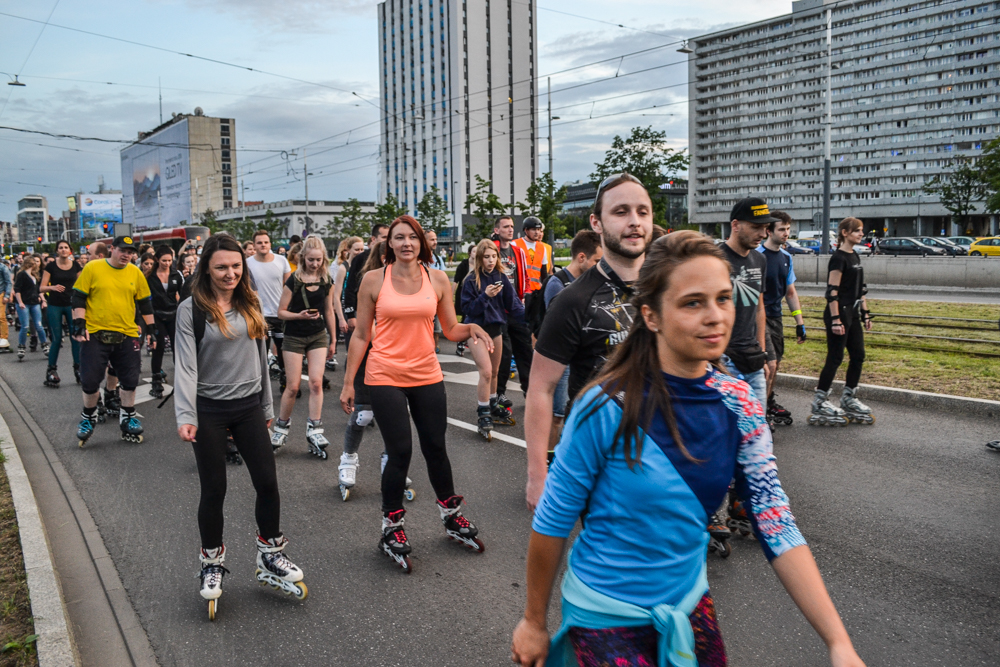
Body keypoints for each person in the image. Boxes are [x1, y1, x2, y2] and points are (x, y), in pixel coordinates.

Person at [512, 231, 867, 667]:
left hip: (688, 606)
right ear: (652, 315)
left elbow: (776, 521)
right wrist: (533, 621)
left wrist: (838, 641)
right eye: (692, 302)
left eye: (723, 298)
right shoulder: (602, 406)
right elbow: (553, 520)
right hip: (605, 615)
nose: (715, 316)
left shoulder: (740, 403)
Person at [340, 215, 493, 573]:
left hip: (426, 372)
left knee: (436, 447)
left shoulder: (437, 279)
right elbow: (362, 335)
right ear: (389, 244)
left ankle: (451, 515)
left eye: (412, 238)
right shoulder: (373, 280)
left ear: (421, 243)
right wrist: (349, 381)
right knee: (401, 451)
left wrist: (470, 327)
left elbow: (450, 328)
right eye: (399, 238)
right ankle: (391, 527)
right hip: (384, 374)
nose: (406, 243)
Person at [174, 234, 306, 619]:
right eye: (221, 267)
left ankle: (271, 554)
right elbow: (185, 366)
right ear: (206, 269)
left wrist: (266, 404)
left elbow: (261, 358)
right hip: (209, 409)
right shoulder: (191, 310)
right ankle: (211, 562)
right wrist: (186, 415)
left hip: (249, 407)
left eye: (235, 266)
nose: (230, 273)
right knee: (215, 489)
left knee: (267, 482)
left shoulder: (250, 301)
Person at [525, 173, 651, 510]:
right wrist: (538, 475)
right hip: (602, 461)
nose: (634, 221)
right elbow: (540, 388)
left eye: (643, 211)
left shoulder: (668, 288)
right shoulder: (572, 300)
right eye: (621, 212)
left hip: (667, 455)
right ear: (596, 222)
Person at [72, 236, 155, 446]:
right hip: (95, 333)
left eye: (130, 252)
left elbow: (145, 303)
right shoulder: (93, 268)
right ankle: (88, 417)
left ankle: (127, 415)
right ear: (112, 249)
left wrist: (152, 330)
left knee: (129, 378)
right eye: (123, 250)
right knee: (90, 380)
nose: (127, 255)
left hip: (126, 333)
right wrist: (79, 324)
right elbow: (78, 296)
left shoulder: (135, 272)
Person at [270, 236, 337, 459]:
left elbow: (329, 311)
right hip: (294, 337)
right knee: (293, 386)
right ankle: (280, 428)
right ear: (303, 258)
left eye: (319, 260)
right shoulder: (294, 281)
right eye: (311, 260)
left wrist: (333, 338)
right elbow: (281, 312)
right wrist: (298, 316)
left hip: (317, 336)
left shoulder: (327, 280)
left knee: (317, 383)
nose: (315, 264)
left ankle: (315, 429)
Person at [539, 230, 603, 457]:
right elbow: (557, 330)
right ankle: (549, 459)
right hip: (563, 362)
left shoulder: (592, 282)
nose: (600, 266)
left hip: (585, 362)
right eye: (597, 261)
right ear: (582, 258)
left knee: (576, 416)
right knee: (557, 415)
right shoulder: (558, 284)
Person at [810, 217, 874, 427]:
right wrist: (836, 319)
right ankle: (820, 401)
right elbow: (832, 292)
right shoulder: (838, 258)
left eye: (862, 231)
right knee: (835, 357)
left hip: (852, 313)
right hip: (839, 314)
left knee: (859, 355)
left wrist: (865, 313)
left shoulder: (854, 255)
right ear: (845, 233)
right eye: (857, 230)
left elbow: (860, 289)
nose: (861, 234)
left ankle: (848, 397)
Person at [460, 239, 524, 439]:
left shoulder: (501, 277)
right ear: (479, 258)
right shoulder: (471, 280)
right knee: (486, 372)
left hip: (496, 328)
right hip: (476, 330)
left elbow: (513, 305)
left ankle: (493, 403)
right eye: (486, 256)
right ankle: (483, 411)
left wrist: (532, 320)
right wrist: (485, 296)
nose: (490, 260)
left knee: (495, 371)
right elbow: (467, 310)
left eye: (493, 256)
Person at [718, 197, 772, 408]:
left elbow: (759, 309)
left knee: (758, 432)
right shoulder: (715, 259)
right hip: (723, 360)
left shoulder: (760, 260)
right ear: (735, 225)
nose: (763, 234)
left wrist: (763, 355)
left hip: (753, 360)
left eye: (766, 228)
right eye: (756, 227)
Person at [756, 210, 806, 427]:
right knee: (770, 364)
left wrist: (799, 323)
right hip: (758, 317)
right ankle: (760, 413)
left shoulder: (786, 258)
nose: (787, 233)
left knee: (776, 365)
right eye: (782, 229)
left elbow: (790, 293)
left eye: (788, 229)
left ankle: (767, 400)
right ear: (769, 231)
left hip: (776, 317)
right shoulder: (756, 256)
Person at [493, 215, 533, 409]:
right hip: (497, 310)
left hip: (516, 308)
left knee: (525, 351)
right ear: (496, 230)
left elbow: (524, 276)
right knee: (505, 354)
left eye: (511, 226)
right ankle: (499, 394)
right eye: (506, 226)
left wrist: (525, 294)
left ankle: (530, 391)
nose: (510, 229)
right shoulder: (491, 249)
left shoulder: (518, 251)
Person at [246, 230, 292, 391]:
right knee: (260, 353)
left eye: (265, 242)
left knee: (283, 350)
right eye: (259, 243)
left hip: (280, 313)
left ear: (270, 244)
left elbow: (289, 287)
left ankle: (286, 379)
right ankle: (259, 386)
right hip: (259, 315)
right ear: (254, 245)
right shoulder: (248, 263)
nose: (263, 245)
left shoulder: (281, 261)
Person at [40, 240, 82, 386]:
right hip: (55, 305)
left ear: (70, 250)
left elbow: (81, 285)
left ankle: (78, 369)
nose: (63, 250)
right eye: (60, 248)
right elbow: (42, 288)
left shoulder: (76, 265)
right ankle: (51, 371)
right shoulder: (51, 266)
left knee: (75, 336)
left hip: (71, 305)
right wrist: (52, 288)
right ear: (57, 251)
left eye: (66, 247)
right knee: (57, 339)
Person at [146, 246, 184, 399]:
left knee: (178, 346)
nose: (167, 263)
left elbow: (183, 295)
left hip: (173, 313)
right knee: (159, 346)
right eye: (164, 261)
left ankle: (182, 380)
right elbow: (145, 300)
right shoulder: (149, 277)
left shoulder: (176, 275)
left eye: (169, 260)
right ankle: (156, 380)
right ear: (157, 260)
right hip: (157, 314)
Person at [343, 224, 390, 333]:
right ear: (374, 239)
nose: (387, 241)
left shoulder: (395, 257)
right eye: (384, 237)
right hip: (363, 312)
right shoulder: (360, 259)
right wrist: (350, 315)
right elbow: (350, 287)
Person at [331, 236, 365, 370]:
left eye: (362, 249)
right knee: (352, 349)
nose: (360, 252)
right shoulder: (343, 268)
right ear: (349, 250)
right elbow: (337, 296)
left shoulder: (365, 267)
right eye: (357, 249)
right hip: (348, 311)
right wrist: (341, 319)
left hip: (363, 310)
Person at [13, 256, 49, 361]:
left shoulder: (34, 276)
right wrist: (20, 302)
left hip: (34, 302)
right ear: (31, 264)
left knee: (39, 325)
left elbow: (37, 290)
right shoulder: (22, 275)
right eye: (35, 263)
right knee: (25, 326)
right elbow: (17, 289)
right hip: (24, 303)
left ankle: (44, 344)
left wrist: (43, 300)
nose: (37, 265)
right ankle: (21, 346)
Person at [512, 216, 554, 295]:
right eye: (534, 229)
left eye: (538, 230)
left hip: (536, 291)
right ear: (526, 230)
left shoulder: (542, 248)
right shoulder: (515, 244)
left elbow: (544, 273)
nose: (537, 232)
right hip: (520, 291)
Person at [452, 243, 477, 357]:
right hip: (463, 295)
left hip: (475, 296)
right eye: (474, 251)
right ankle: (460, 343)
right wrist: (450, 295)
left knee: (472, 320)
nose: (476, 254)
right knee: (464, 319)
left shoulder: (480, 264)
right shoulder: (464, 264)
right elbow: (456, 281)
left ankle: (470, 342)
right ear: (469, 253)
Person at [425, 230, 447, 353]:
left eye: (435, 239)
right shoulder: (417, 259)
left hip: (436, 300)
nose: (435, 242)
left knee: (436, 329)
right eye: (432, 239)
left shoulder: (438, 259)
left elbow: (443, 278)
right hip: (423, 300)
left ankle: (434, 349)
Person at [0, 258, 12, 351]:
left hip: (1, 294)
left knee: (1, 317)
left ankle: (4, 338)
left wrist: (7, 295)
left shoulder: (3, 267)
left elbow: (8, 282)